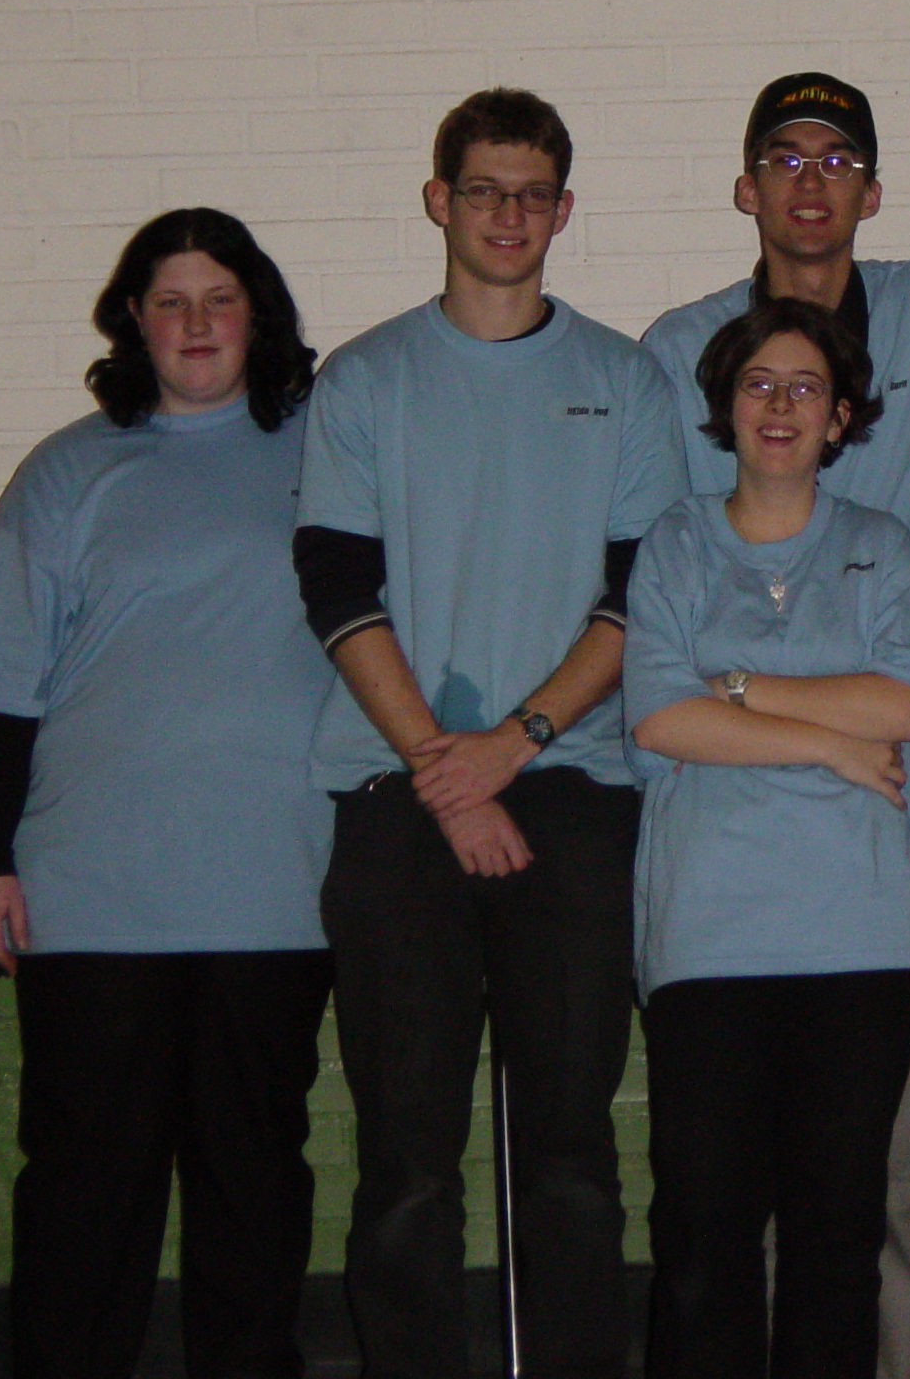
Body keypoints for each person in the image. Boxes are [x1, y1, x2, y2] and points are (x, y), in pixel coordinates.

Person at [293, 88, 686, 1378]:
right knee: (405, 1156)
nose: (507, 215)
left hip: (570, 792)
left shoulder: (623, 382)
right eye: (482, 190)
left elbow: (638, 596)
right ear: (438, 202)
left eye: (532, 194)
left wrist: (512, 745)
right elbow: (337, 592)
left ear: (562, 212)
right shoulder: (364, 381)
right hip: (396, 797)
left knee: (568, 1151)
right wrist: (445, 773)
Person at [0, 207, 336, 1379]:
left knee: (253, 1178)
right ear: (134, 322)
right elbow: (0, 689)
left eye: (219, 298)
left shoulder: (332, 459)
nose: (196, 323)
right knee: (84, 1186)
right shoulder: (67, 471)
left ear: (257, 315)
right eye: (170, 301)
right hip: (93, 895)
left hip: (274, 889)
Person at [642, 71, 910, 1378]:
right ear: (746, 186)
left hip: (889, 826)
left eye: (837, 158)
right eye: (785, 158)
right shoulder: (674, 352)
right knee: (713, 1218)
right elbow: (655, 680)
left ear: (872, 189)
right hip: (725, 859)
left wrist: (739, 686)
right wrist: (801, 719)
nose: (811, 181)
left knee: (885, 1194)